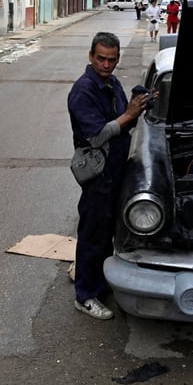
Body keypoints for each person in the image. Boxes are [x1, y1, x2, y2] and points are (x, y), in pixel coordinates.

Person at [67, 32, 152, 320]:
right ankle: (85, 295)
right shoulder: (83, 91)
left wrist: (138, 104)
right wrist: (129, 115)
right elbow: (96, 135)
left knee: (108, 232)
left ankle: (98, 282)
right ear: (91, 56)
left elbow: (124, 118)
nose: (106, 64)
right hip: (97, 171)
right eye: (101, 58)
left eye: (112, 60)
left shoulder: (111, 83)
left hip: (115, 168)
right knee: (93, 233)